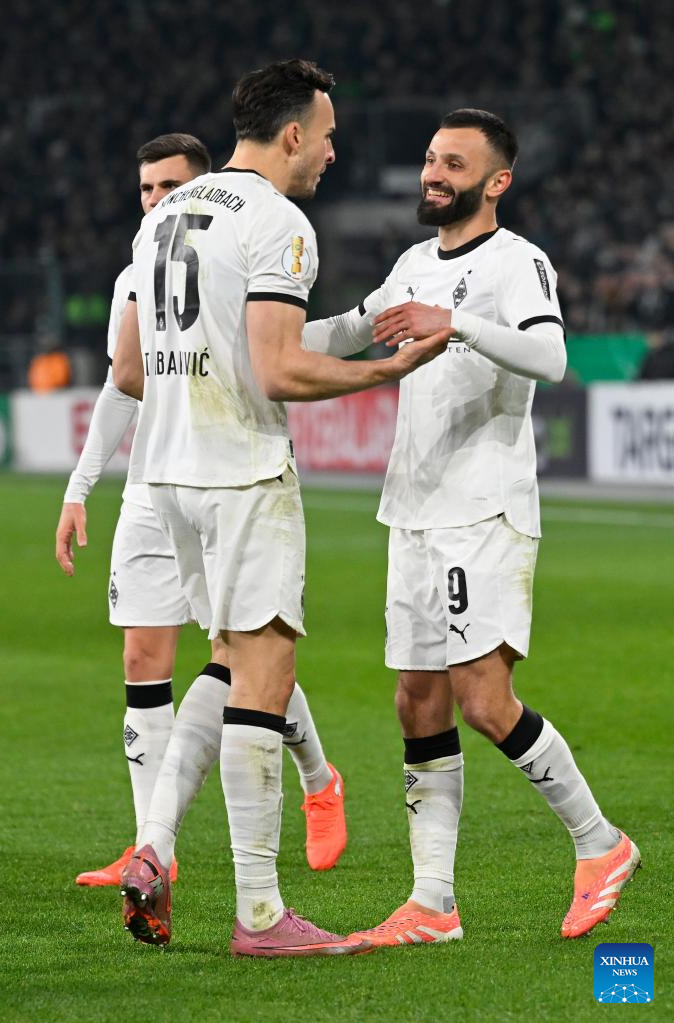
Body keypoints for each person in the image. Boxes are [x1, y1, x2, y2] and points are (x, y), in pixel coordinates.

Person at [112, 59, 452, 957]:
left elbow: (140, 364)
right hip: (242, 473)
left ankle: (153, 843)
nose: (333, 152)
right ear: (293, 133)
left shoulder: (165, 216)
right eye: (328, 135)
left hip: (168, 474)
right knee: (264, 675)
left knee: (227, 662)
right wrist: (388, 369)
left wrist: (362, 323)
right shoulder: (278, 220)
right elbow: (277, 368)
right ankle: (261, 913)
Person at [302, 108, 640, 946]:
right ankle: (432, 902)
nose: (433, 173)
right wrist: (252, 340)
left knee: (485, 700)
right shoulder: (414, 263)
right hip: (413, 509)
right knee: (416, 698)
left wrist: (455, 324)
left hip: (484, 508)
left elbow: (551, 357)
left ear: (497, 182)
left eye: (453, 163)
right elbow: (351, 330)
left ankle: (601, 842)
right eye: (430, 158)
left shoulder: (518, 262)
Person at [55, 132, 347, 894]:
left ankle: (319, 778)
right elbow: (121, 381)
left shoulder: (232, 241)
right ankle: (153, 846)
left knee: (244, 650)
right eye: (146, 189)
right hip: (154, 480)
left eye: (169, 186)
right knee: (146, 659)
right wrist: (80, 487)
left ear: (202, 185)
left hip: (221, 469)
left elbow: (262, 352)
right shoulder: (139, 265)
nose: (156, 201)